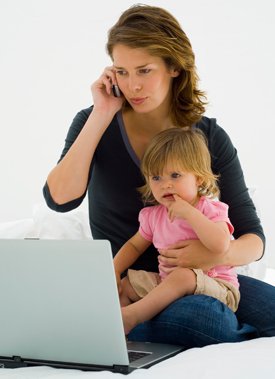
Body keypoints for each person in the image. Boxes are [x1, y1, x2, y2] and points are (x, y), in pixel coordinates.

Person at [43, 4, 275, 347]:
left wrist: (213, 256)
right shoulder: (96, 123)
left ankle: (111, 325)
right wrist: (101, 113)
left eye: (144, 70)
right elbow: (60, 200)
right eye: (121, 72)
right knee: (205, 318)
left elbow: (253, 240)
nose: (132, 85)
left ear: (174, 68)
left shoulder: (208, 136)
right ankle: (133, 321)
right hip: (133, 279)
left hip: (201, 274)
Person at [114, 128, 240, 335]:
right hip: (167, 283)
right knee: (127, 285)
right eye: (156, 178)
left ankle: (133, 317)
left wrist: (189, 213)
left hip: (217, 288)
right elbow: (135, 245)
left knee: (183, 276)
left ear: (198, 178)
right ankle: (121, 329)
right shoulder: (153, 215)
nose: (166, 185)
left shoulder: (209, 209)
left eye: (175, 175)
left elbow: (221, 245)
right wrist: (114, 269)